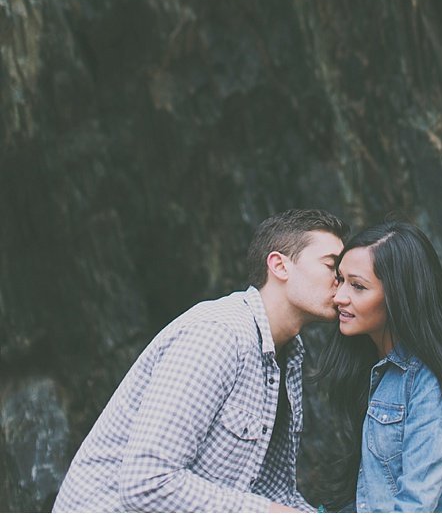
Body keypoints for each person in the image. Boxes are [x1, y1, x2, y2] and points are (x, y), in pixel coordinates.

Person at [53, 208, 347, 513]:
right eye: (332, 266)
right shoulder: (218, 335)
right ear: (279, 265)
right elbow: (148, 481)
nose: (342, 280)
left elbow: (270, 492)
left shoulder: (286, 355)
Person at [319, 221, 442, 513]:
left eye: (358, 286)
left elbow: (415, 507)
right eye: (340, 280)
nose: (339, 297)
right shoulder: (377, 370)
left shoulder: (431, 380)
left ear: (399, 296)